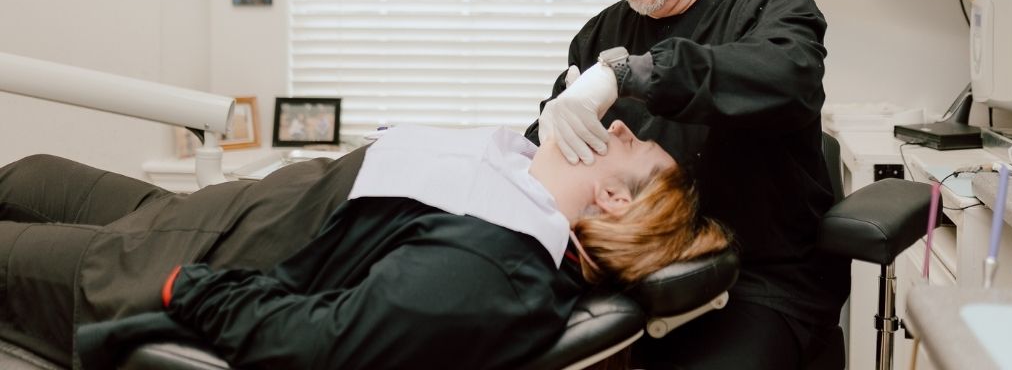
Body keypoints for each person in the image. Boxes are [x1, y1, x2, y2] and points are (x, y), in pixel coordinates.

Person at [0, 120, 726, 370]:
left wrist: (183, 288)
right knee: (24, 173)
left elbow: (321, 344)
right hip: (184, 212)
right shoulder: (514, 176)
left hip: (168, 265)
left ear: (612, 198)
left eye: (632, 147)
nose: (621, 127)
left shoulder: (491, 271)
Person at [525, 0, 850, 370]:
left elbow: (789, 77)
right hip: (627, 281)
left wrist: (628, 74)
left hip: (756, 282)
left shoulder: (770, 6)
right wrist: (547, 127)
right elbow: (551, 152)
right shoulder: (599, 35)